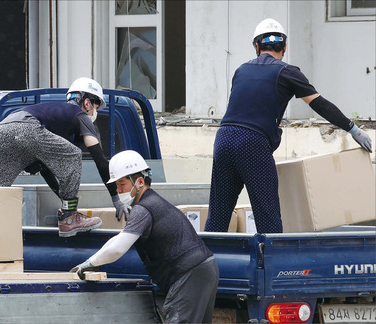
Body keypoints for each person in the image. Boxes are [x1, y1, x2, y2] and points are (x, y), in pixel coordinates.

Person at [204, 18, 372, 234]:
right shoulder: (288, 71)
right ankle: (269, 267)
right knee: (268, 217)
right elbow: (319, 104)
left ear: (256, 46)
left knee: (218, 215)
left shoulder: (241, 70)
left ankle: (207, 264)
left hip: (223, 139)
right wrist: (353, 129)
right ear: (284, 47)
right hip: (252, 144)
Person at [71, 150, 219, 323]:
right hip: (202, 269)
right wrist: (90, 261)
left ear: (140, 181)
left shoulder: (144, 208)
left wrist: (90, 264)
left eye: (122, 184)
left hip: (189, 274)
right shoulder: (151, 203)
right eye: (116, 186)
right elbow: (119, 239)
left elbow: (119, 248)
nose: (118, 190)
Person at [0, 77, 130, 237]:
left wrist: (65, 201)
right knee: (73, 154)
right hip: (28, 127)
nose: (95, 112)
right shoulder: (81, 116)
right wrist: (116, 200)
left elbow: (47, 170)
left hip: (4, 127)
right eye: (96, 106)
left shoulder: (54, 122)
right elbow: (101, 161)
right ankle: (69, 219)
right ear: (87, 103)